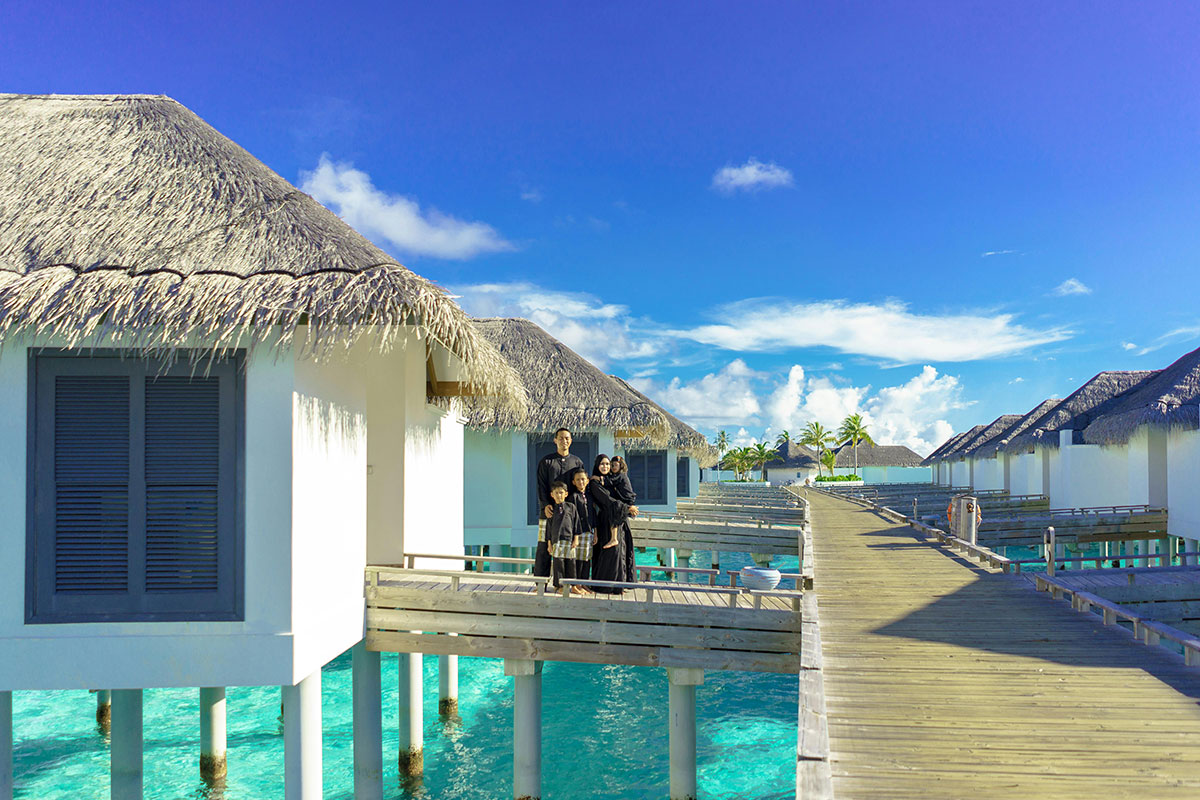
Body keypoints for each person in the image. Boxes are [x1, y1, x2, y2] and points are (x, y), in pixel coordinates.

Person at [534, 428, 584, 578]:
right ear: (555, 440)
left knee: (570, 548)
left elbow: (580, 486)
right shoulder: (546, 461)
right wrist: (545, 505)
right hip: (548, 511)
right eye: (561, 438)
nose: (564, 441)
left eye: (567, 438)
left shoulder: (577, 462)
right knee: (544, 547)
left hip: (569, 513)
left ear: (571, 440)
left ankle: (567, 584)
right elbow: (541, 485)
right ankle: (540, 582)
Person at [588, 454, 638, 591]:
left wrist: (627, 506)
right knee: (612, 553)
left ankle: (623, 583)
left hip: (619, 519)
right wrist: (628, 508)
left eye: (607, 464)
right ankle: (609, 587)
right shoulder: (594, 483)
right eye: (602, 464)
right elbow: (607, 501)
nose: (605, 467)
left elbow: (623, 494)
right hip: (606, 521)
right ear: (597, 466)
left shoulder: (612, 479)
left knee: (623, 551)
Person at [546, 480, 584, 593]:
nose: (559, 495)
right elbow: (548, 528)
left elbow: (576, 523)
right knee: (558, 563)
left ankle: (573, 586)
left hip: (569, 539)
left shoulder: (571, 507)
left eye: (561, 492)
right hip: (556, 540)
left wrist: (576, 538)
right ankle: (559, 586)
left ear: (566, 494)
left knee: (571, 563)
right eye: (556, 493)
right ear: (552, 495)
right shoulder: (551, 510)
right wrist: (549, 544)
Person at [608, 455, 638, 582]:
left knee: (624, 550)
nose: (613, 467)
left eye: (615, 465)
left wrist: (597, 478)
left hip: (624, 508)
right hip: (623, 507)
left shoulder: (621, 476)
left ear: (620, 466)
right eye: (612, 465)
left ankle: (626, 579)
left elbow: (610, 483)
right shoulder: (615, 477)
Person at [566, 468, 595, 586]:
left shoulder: (590, 496)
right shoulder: (573, 497)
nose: (581, 482)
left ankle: (584, 583)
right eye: (578, 480)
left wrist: (595, 532)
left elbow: (593, 514)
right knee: (577, 559)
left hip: (589, 531)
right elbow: (572, 518)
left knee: (587, 558)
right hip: (578, 532)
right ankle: (576, 584)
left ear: (587, 480)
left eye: (583, 479)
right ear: (573, 482)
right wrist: (575, 535)